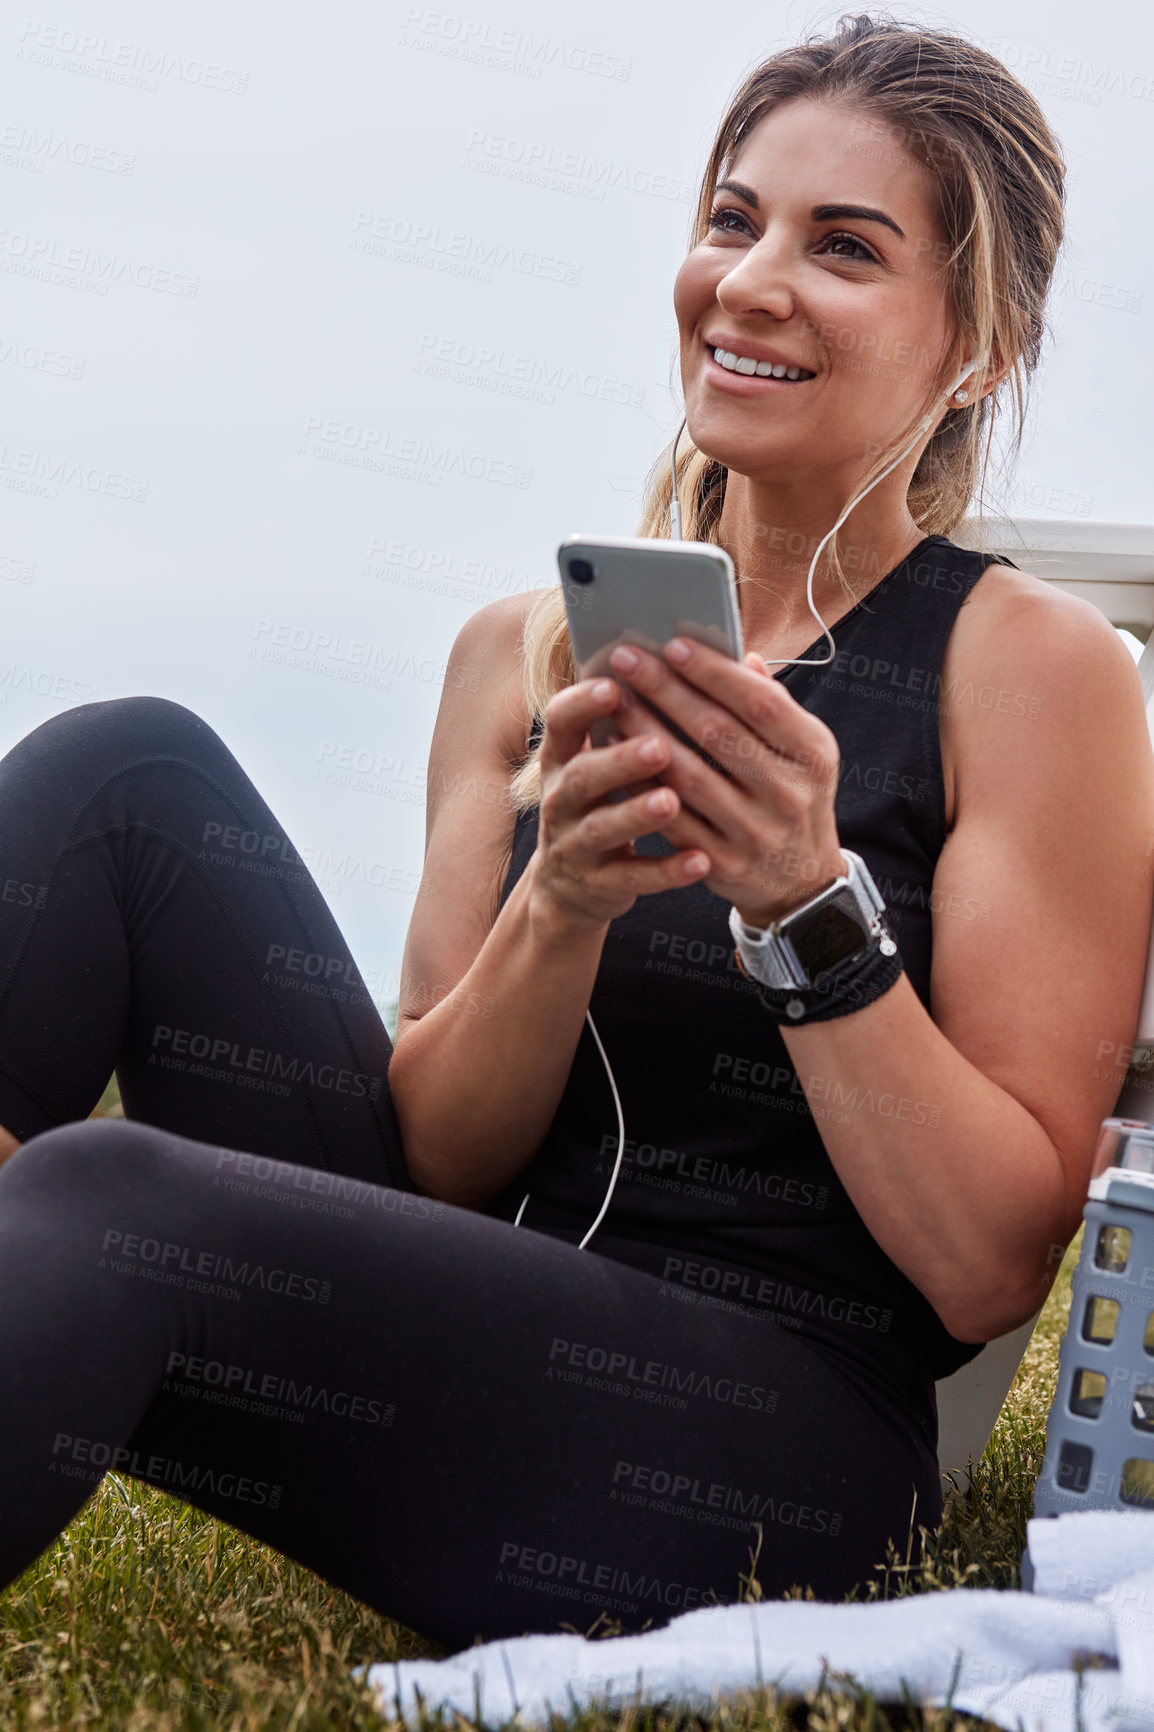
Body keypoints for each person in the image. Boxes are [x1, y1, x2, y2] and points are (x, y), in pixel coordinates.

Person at [0, 14, 1150, 1653]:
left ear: (977, 341)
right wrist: (558, 905)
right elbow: (444, 1170)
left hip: (768, 1436)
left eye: (842, 247)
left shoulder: (1026, 667)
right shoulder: (525, 651)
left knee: (111, 1192)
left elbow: (984, 1271)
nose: (749, 281)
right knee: (127, 775)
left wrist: (803, 906)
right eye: (731, 219)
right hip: (478, 1319)